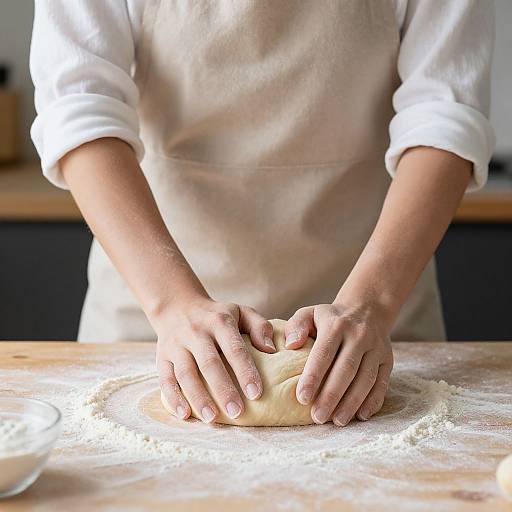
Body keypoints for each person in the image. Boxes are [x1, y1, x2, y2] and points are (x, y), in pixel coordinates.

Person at [30, 1, 495, 427]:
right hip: (150, 314)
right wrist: (172, 304)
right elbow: (78, 106)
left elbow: (444, 113)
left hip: (377, 315)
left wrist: (371, 302)